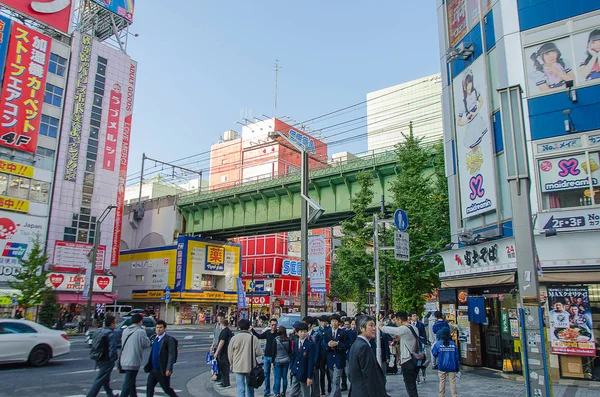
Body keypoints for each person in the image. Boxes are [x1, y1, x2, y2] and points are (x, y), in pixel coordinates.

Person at [379, 311, 420, 397]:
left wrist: (381, 327)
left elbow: (392, 330)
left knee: (410, 385)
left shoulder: (403, 329)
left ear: (400, 320)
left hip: (407, 360)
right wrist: (400, 339)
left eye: (396, 320)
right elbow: (409, 339)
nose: (396, 323)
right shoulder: (413, 328)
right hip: (415, 359)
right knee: (412, 384)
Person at [346, 315, 387, 397]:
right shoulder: (363, 347)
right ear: (361, 328)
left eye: (374, 325)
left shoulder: (356, 345)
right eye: (371, 325)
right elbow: (369, 376)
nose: (374, 328)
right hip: (365, 392)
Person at [228, 319, 263, 397]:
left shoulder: (234, 338)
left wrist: (232, 364)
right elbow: (259, 353)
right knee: (250, 387)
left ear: (239, 327)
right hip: (250, 366)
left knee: (240, 388)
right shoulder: (253, 338)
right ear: (248, 327)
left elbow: (230, 353)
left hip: (237, 366)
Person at [119, 314, 152, 397]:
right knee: (128, 382)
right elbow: (146, 344)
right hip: (133, 360)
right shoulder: (140, 331)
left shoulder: (126, 330)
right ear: (140, 321)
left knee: (131, 382)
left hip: (124, 359)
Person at [144, 320, 178, 397]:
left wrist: (169, 368)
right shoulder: (155, 338)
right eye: (157, 327)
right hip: (153, 369)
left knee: (166, 389)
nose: (158, 329)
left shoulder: (169, 339)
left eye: (161, 327)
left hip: (162, 369)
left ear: (165, 328)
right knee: (149, 387)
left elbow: (171, 355)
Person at [86, 315, 118, 397]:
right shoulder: (111, 334)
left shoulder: (101, 332)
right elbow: (112, 349)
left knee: (105, 378)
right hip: (106, 359)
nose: (116, 324)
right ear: (112, 324)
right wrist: (113, 359)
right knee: (100, 379)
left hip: (98, 357)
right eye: (115, 322)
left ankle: (110, 394)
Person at [252, 318, 279, 396]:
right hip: (267, 356)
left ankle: (276, 391)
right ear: (270, 325)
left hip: (275, 357)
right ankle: (267, 391)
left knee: (275, 375)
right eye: (272, 325)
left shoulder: (278, 334)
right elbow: (259, 336)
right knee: (266, 374)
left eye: (275, 325)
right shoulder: (267, 333)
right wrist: (252, 330)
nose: (274, 326)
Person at [432, 327, 460, 397]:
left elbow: (434, 353)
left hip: (442, 366)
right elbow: (457, 357)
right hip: (452, 366)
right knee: (453, 382)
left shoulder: (438, 344)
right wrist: (457, 367)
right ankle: (454, 395)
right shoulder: (453, 344)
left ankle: (441, 395)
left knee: (442, 381)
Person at [290, 322, 316, 397]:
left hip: (304, 373)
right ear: (297, 333)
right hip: (296, 371)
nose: (303, 334)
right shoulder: (295, 342)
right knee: (293, 393)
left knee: (305, 394)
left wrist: (309, 377)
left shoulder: (310, 344)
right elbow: (293, 356)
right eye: (301, 332)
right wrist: (291, 367)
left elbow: (311, 362)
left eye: (305, 331)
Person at [324, 314, 347, 397]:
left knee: (336, 380)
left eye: (336, 321)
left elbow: (346, 345)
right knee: (332, 379)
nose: (334, 323)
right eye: (333, 321)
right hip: (330, 359)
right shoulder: (327, 333)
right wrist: (328, 345)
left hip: (339, 358)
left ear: (339, 322)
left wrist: (337, 344)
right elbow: (324, 345)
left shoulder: (343, 332)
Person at [272, 325, 292, 397]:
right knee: (284, 377)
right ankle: (284, 392)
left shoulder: (276, 339)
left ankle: (277, 392)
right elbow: (290, 351)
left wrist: (272, 362)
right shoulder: (288, 339)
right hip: (286, 360)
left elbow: (274, 352)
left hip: (278, 360)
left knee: (277, 377)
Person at [215, 319, 234, 389]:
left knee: (224, 368)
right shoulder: (228, 331)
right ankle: (224, 381)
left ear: (221, 325)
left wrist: (216, 352)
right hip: (227, 351)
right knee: (223, 367)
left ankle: (226, 383)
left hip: (224, 352)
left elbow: (221, 342)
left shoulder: (224, 331)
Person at [410, 312, 428, 383]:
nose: (415, 317)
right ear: (411, 317)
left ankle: (423, 373)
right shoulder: (409, 325)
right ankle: (417, 378)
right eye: (413, 316)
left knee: (421, 360)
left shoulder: (420, 325)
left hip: (420, 345)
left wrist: (424, 343)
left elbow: (423, 335)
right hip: (412, 345)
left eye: (416, 315)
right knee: (414, 362)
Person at [316, 315, 331, 395]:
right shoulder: (318, 331)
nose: (322, 323)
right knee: (322, 373)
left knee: (329, 372)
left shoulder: (329, 330)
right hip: (321, 354)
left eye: (324, 321)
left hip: (328, 353)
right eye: (321, 322)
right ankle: (322, 390)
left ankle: (329, 388)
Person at [341, 317, 356, 392]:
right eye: (345, 324)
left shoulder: (353, 332)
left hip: (350, 353)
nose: (346, 326)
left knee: (348, 371)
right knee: (343, 372)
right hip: (343, 353)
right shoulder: (342, 331)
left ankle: (353, 384)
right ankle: (344, 384)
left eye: (348, 324)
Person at [210, 312, 224, 382]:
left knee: (220, 362)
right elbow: (214, 336)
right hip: (216, 345)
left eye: (221, 317)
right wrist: (212, 345)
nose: (220, 318)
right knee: (216, 362)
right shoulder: (216, 325)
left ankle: (220, 377)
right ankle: (217, 376)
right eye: (219, 317)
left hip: (221, 346)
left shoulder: (223, 326)